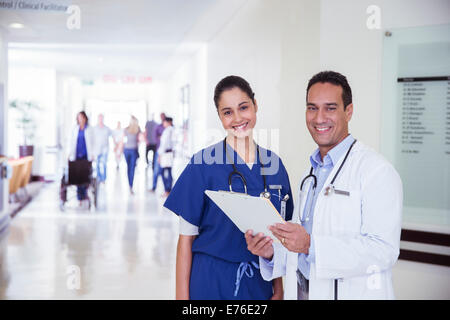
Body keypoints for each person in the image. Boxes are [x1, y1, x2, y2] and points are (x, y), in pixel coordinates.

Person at [245, 71, 403, 300]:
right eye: (312, 108)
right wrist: (270, 252)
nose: (319, 118)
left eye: (330, 108)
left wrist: (310, 245)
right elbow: (300, 247)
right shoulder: (310, 173)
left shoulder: (376, 171)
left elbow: (383, 251)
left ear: (348, 111)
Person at [163, 75, 294, 300]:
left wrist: (279, 290)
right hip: (210, 282)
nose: (237, 118)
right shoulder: (202, 164)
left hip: (258, 285)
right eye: (227, 112)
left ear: (255, 105)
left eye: (243, 107)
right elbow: (186, 240)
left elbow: (278, 238)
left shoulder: (275, 166)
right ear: (220, 117)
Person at [68, 111, 94, 206]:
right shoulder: (75, 129)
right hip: (76, 155)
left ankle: (84, 194)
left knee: (85, 175)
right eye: (79, 118)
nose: (80, 119)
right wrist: (69, 154)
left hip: (86, 155)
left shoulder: (89, 129)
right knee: (77, 175)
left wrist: (93, 154)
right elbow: (71, 142)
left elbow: (93, 142)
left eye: (82, 117)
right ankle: (80, 197)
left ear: (85, 118)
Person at [123, 115, 142, 195]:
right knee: (129, 168)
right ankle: (130, 184)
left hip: (133, 151)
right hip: (127, 150)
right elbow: (123, 140)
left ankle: (131, 185)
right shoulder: (126, 129)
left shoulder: (138, 129)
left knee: (132, 168)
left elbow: (140, 139)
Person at [157, 117, 175, 197]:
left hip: (165, 154)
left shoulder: (168, 131)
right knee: (169, 171)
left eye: (164, 122)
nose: (163, 124)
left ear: (168, 122)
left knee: (162, 172)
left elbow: (164, 144)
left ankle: (167, 190)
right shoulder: (172, 130)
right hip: (169, 153)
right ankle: (168, 190)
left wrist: (159, 155)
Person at [93, 114, 112, 183]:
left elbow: (113, 135)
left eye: (102, 118)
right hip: (97, 149)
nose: (101, 120)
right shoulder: (94, 128)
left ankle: (104, 178)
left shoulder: (107, 128)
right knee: (97, 164)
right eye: (99, 118)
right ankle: (99, 177)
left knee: (104, 164)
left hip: (105, 149)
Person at [150, 112, 166, 192]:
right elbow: (156, 138)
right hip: (159, 151)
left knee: (165, 171)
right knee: (156, 170)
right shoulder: (158, 127)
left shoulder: (168, 127)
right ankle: (154, 187)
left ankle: (167, 189)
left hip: (166, 153)